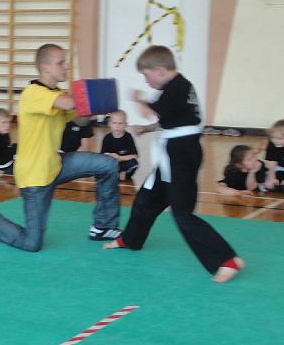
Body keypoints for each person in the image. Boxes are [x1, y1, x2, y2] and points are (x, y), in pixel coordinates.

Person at [102, 45, 243, 282]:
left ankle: (226, 259)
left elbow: (151, 113)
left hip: (182, 155)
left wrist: (138, 99)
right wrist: (147, 129)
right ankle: (131, 239)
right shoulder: (178, 87)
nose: (146, 81)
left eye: (146, 75)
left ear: (159, 70)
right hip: (175, 151)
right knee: (147, 198)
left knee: (182, 213)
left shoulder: (176, 88)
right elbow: (169, 119)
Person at [0, 44, 121, 251]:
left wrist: (94, 109)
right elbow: (69, 104)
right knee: (32, 243)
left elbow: (79, 119)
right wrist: (96, 95)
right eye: (61, 63)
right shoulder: (33, 93)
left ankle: (103, 227)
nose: (66, 66)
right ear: (45, 67)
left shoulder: (58, 94)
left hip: (56, 164)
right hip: (34, 176)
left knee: (108, 165)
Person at [100, 110, 139, 181]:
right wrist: (111, 156)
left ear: (126, 125)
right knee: (100, 165)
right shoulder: (107, 138)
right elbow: (102, 155)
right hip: (112, 163)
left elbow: (135, 156)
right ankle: (115, 173)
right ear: (109, 124)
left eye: (120, 123)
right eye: (114, 123)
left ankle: (122, 172)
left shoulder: (128, 137)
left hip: (125, 162)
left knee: (134, 163)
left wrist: (120, 157)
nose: (117, 126)